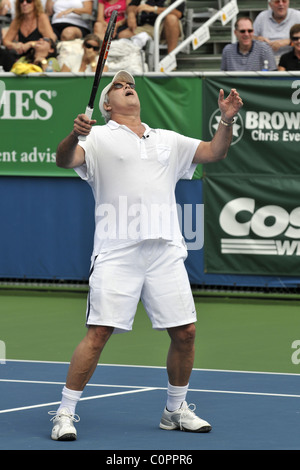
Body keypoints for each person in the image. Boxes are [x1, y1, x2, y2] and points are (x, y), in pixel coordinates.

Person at [49, 69, 243, 441]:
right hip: (117, 250)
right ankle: (64, 412)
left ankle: (175, 410)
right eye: (119, 87)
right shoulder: (98, 137)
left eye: (131, 85)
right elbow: (64, 160)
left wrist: (227, 119)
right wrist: (75, 133)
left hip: (165, 250)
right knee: (99, 333)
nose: (127, 89)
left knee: (185, 333)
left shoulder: (167, 139)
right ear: (107, 105)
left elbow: (214, 151)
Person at [118, 0, 184, 53]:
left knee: (171, 18)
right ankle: (137, 60)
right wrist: (131, 15)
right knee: (123, 35)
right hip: (146, 26)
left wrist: (154, 9)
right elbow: (132, 6)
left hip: (165, 26)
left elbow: (178, 13)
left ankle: (171, 58)